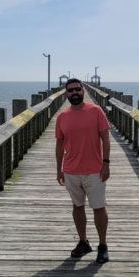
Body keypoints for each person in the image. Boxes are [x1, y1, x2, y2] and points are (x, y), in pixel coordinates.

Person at [55, 78, 111, 264]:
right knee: (77, 207)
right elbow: (59, 143)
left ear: (83, 90)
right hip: (71, 170)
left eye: (77, 89)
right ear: (66, 94)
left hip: (94, 170)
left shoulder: (96, 111)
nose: (74, 93)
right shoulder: (62, 117)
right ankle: (83, 242)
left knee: (99, 208)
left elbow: (105, 138)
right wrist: (59, 169)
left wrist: (106, 163)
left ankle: (102, 245)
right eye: (70, 90)